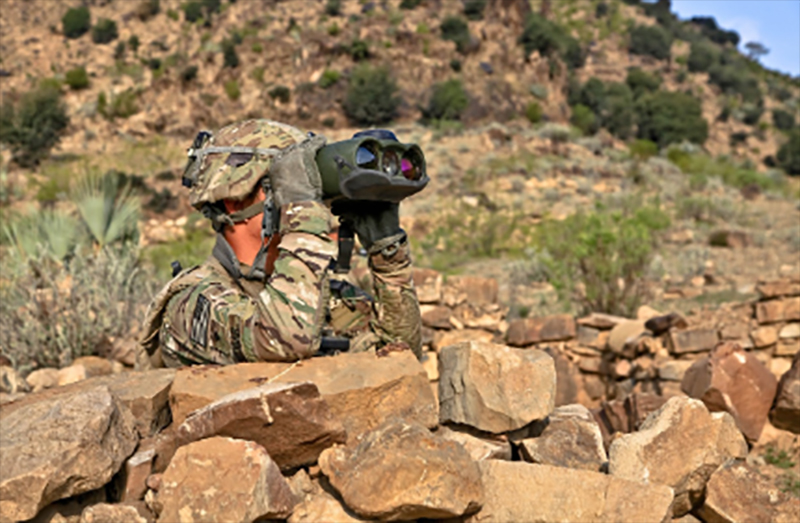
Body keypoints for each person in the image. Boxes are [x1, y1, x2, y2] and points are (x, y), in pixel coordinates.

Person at [136, 119, 421, 369]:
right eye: (285, 185)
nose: (307, 198)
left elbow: (401, 365)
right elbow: (286, 339)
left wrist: (388, 257)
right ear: (234, 201)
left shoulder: (329, 298)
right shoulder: (191, 304)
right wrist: (302, 211)